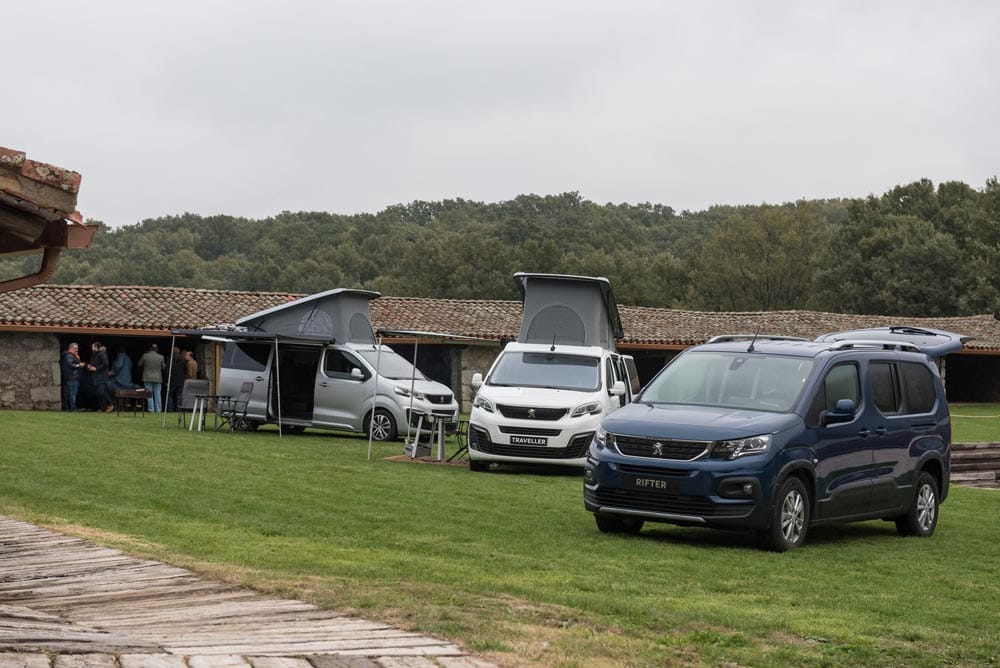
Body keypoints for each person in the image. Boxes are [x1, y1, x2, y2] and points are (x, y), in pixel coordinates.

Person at [137, 343, 166, 413]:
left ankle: (151, 409)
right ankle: (158, 410)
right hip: (158, 378)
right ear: (157, 349)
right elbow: (163, 367)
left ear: (150, 349)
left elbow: (139, 364)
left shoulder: (145, 356)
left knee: (149, 394)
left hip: (147, 377)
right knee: (157, 393)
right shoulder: (161, 357)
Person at [87, 342, 113, 412]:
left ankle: (110, 404)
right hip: (95, 376)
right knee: (98, 393)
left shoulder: (102, 354)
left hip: (102, 376)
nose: (92, 348)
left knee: (101, 392)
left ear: (96, 347)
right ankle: (103, 408)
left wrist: (96, 368)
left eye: (93, 347)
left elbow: (105, 364)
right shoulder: (94, 355)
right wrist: (90, 366)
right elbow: (93, 363)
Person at [60, 342, 85, 412]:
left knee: (70, 393)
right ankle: (73, 409)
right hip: (72, 378)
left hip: (73, 377)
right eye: (75, 348)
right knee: (72, 394)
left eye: (77, 348)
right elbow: (70, 365)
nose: (77, 350)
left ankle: (68, 408)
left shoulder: (73, 355)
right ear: (70, 348)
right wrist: (79, 365)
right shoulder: (69, 356)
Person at [166, 347, 186, 411]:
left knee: (170, 395)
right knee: (179, 396)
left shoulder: (170, 361)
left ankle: (170, 408)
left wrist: (166, 380)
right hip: (181, 380)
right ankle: (178, 408)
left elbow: (167, 371)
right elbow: (186, 370)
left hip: (172, 380)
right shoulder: (182, 361)